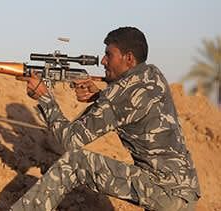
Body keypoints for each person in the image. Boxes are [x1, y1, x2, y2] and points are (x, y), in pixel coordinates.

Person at [11, 26, 201, 211]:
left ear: (129, 58)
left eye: (109, 55)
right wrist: (100, 97)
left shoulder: (119, 96)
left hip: (163, 190)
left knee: (75, 162)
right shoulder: (152, 74)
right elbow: (130, 101)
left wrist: (45, 99)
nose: (103, 61)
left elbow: (70, 140)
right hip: (183, 189)